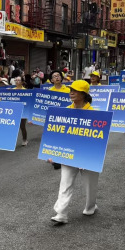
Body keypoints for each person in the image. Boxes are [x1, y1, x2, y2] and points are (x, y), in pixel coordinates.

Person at [49, 80, 99, 225]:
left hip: (88, 156)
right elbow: (57, 134)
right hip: (68, 154)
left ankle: (91, 207)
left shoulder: (95, 114)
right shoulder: (64, 111)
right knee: (65, 183)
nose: (71, 92)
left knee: (90, 186)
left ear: (84, 94)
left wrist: (86, 158)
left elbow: (98, 140)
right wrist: (53, 153)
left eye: (75, 90)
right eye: (71, 89)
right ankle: (61, 213)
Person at [13, 76, 28, 146]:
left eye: (19, 80)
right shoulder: (12, 90)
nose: (17, 81)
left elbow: (28, 102)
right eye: (16, 80)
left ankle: (24, 139)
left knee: (22, 126)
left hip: (23, 111)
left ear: (22, 82)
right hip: (14, 111)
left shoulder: (25, 90)